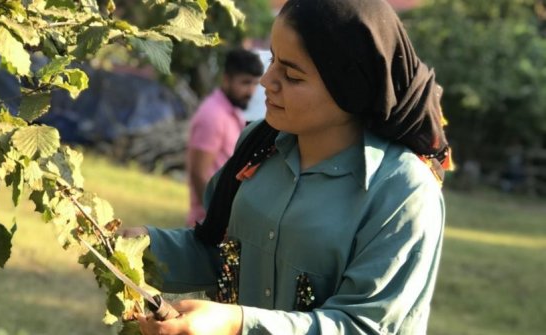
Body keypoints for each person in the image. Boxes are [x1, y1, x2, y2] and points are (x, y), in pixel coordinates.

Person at [124, 0, 454, 333]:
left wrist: (238, 324)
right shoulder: (260, 146)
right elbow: (220, 254)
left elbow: (363, 325)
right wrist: (140, 246)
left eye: (292, 75)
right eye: (272, 60)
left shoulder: (402, 192)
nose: (267, 81)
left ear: (350, 88)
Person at [186, 49, 264, 227]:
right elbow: (198, 173)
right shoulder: (212, 115)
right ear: (226, 79)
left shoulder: (231, 112)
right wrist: (216, 218)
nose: (250, 91)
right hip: (209, 224)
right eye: (245, 83)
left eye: (254, 84)